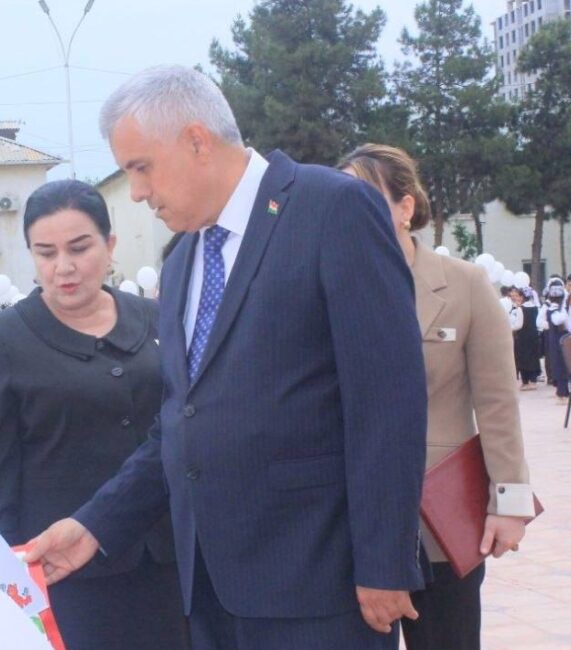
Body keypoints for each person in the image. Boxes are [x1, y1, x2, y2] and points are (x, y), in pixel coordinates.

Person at [24, 65, 428, 650]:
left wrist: (385, 563)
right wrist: (95, 525)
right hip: (211, 594)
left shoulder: (332, 210)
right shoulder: (181, 261)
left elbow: (388, 399)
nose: (136, 192)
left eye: (141, 167)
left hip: (320, 588)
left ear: (196, 141)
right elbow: (180, 424)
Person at [0, 180, 188, 649]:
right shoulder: (3, 340)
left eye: (79, 248)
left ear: (110, 245)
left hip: (169, 561)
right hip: (64, 573)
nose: (63, 267)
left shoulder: (157, 316)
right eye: (45, 253)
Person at [339, 144, 532, 650]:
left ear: (405, 207)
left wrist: (509, 502)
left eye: (366, 199)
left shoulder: (464, 285)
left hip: (439, 516)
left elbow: (497, 402)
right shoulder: (329, 288)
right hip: (350, 520)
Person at [541, 278, 571, 404]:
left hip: (564, 340)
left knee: (565, 366)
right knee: (559, 366)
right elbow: (557, 320)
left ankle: (566, 394)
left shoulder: (563, 308)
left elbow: (570, 326)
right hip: (556, 341)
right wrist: (565, 309)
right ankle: (560, 394)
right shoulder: (552, 308)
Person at [508, 287, 542, 390]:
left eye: (518, 296)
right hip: (534, 335)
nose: (516, 298)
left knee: (523, 359)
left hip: (523, 337)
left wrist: (509, 328)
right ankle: (533, 380)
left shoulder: (521, 309)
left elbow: (519, 325)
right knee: (533, 358)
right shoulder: (535, 307)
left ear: (522, 297)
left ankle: (526, 381)